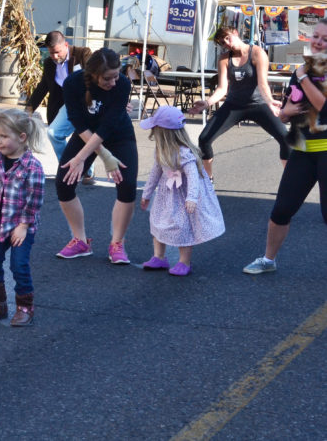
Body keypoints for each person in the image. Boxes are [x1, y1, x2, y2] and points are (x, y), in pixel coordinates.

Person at [243, 18, 327, 274]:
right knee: (282, 209)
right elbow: (286, 112)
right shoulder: (302, 70)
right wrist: (286, 111)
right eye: (316, 36)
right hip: (302, 151)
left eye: (325, 39)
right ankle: (268, 260)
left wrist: (302, 78)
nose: (318, 42)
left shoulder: (305, 73)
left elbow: (323, 105)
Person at [55, 47, 138, 264]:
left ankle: (117, 243)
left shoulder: (123, 84)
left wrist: (87, 157)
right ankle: (80, 241)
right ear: (93, 74)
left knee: (127, 185)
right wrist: (98, 155)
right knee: (64, 182)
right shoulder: (73, 83)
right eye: (107, 79)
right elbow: (77, 121)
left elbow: (109, 126)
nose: (113, 82)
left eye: (116, 76)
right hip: (86, 134)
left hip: (118, 134)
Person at [187, 26, 289, 180]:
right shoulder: (224, 58)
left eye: (228, 38)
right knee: (204, 139)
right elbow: (222, 88)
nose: (227, 43)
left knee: (285, 138)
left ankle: (289, 178)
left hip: (258, 105)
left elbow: (262, 84)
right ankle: (208, 179)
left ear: (235, 33)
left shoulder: (257, 53)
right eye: (223, 42)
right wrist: (207, 103)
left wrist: (270, 101)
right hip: (233, 106)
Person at [139, 106, 225, 277]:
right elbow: (155, 173)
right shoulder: (160, 150)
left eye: (155, 129)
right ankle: (159, 257)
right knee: (157, 221)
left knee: (181, 227)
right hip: (166, 194)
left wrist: (191, 198)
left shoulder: (184, 153)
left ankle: (184, 262)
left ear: (163, 132)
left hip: (182, 195)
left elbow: (193, 177)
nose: (153, 133)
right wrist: (146, 194)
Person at [0, 109, 46, 327]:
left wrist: (23, 226)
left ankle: (25, 306)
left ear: (22, 137)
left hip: (20, 227)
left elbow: (34, 199)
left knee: (19, 265)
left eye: (4, 136)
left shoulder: (32, 166)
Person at [25, 31, 95, 184]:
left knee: (85, 135)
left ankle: (87, 170)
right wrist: (29, 109)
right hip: (68, 105)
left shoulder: (83, 54)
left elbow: (96, 77)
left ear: (66, 45)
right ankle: (68, 168)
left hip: (88, 103)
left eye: (57, 52)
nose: (55, 57)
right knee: (53, 133)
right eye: (51, 53)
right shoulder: (50, 63)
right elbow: (43, 86)